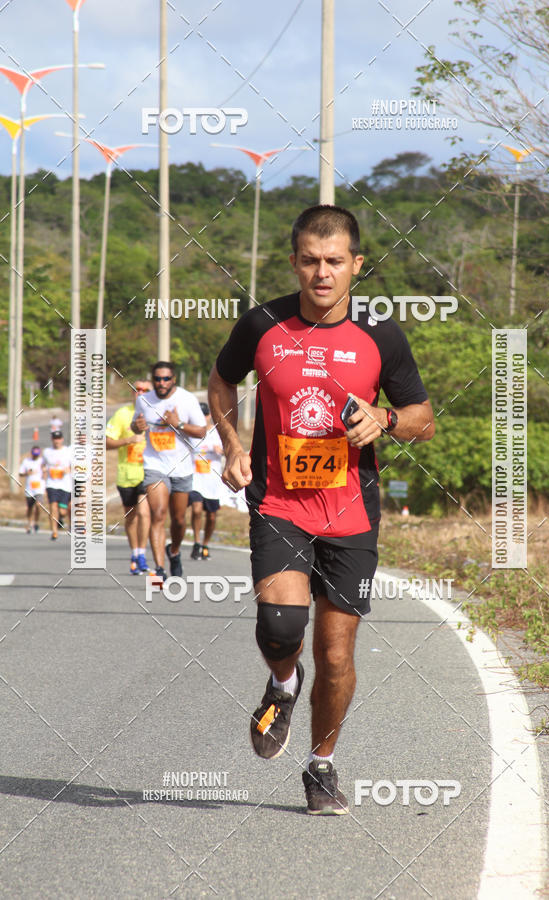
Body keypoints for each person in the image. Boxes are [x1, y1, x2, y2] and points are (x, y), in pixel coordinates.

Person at [208, 204, 435, 815]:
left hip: (351, 513)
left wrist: (385, 419)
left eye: (335, 261)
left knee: (336, 655)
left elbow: (424, 419)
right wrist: (232, 445)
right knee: (281, 628)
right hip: (280, 503)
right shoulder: (262, 325)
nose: (322, 273)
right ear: (294, 263)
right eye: (310, 261)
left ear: (357, 264)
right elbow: (222, 381)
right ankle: (283, 682)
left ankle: (321, 765)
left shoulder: (381, 335)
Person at [131, 362, 206, 580]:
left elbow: (201, 431)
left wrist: (178, 424)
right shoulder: (144, 400)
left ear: (173, 379)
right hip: (154, 465)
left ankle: (174, 551)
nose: (161, 383)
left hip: (182, 467)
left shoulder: (187, 399)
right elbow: (135, 425)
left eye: (166, 379)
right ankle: (160, 569)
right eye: (157, 379)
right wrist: (137, 426)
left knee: (179, 520)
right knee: (158, 513)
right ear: (153, 380)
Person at [106, 380, 153, 575]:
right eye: (136, 389)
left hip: (148, 473)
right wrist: (128, 440)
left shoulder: (156, 413)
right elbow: (106, 442)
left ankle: (142, 554)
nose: (140, 392)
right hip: (126, 475)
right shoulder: (122, 414)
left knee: (144, 513)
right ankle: (134, 553)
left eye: (145, 390)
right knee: (131, 518)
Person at [189, 402, 224, 560]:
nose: (202, 418)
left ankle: (205, 544)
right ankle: (196, 543)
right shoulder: (192, 432)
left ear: (209, 415)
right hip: (196, 478)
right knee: (196, 510)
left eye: (204, 415)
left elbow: (230, 450)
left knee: (211, 516)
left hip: (212, 481)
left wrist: (221, 450)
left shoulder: (217, 432)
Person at [42, 431, 72, 540]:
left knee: (62, 511)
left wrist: (69, 469)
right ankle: (54, 532)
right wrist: (44, 470)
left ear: (62, 439)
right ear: (52, 439)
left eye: (59, 438)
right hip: (51, 484)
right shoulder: (47, 452)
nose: (57, 441)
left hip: (65, 485)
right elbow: (43, 464)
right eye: (55, 438)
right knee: (53, 506)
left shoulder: (68, 451)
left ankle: (60, 518)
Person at [19, 445, 45, 533]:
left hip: (39, 488)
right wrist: (27, 473)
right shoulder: (26, 461)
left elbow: (46, 471)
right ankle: (29, 523)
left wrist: (44, 472)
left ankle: (36, 522)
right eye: (34, 454)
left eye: (37, 454)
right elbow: (20, 473)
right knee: (30, 507)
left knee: (38, 505)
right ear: (31, 453)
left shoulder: (42, 461)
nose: (35, 456)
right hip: (29, 489)